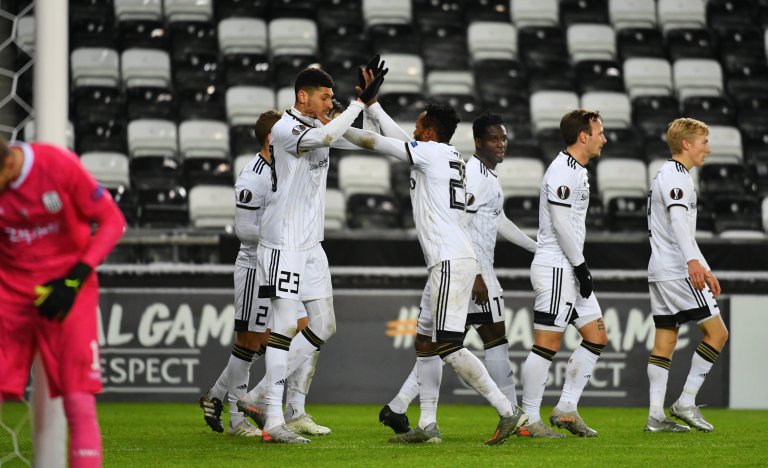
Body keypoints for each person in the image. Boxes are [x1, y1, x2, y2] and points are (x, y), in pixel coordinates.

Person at [343, 102, 525, 446]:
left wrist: (334, 124)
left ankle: (506, 409)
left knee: (448, 345)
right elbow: (396, 138)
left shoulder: (428, 154)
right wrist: (374, 107)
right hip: (449, 259)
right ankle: (427, 424)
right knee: (425, 342)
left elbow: (377, 142)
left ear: (429, 132)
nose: (412, 131)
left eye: (418, 126)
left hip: (450, 259)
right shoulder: (445, 154)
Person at [236, 65, 387, 443]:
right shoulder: (286, 130)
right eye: (324, 97)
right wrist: (353, 105)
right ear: (302, 96)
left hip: (310, 243)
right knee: (286, 325)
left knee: (324, 325)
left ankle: (255, 398)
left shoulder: (322, 125)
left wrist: (368, 106)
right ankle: (273, 420)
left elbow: (366, 138)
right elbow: (330, 133)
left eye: (332, 98)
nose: (329, 104)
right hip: (282, 242)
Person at [0, 137, 126, 468]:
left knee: (78, 399)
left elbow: (113, 221)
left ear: (10, 164)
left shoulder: (57, 165)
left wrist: (74, 278)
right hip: (10, 293)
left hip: (69, 287)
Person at [199, 111, 321, 437]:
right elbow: (243, 229)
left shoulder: (283, 168)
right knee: (250, 342)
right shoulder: (253, 176)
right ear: (272, 139)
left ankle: (218, 396)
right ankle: (239, 420)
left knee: (297, 329)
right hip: (255, 264)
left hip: (279, 261)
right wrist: (283, 234)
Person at [516, 110, 608, 438]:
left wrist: (579, 267)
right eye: (599, 132)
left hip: (570, 267)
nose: (604, 139)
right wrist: (581, 266)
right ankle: (527, 419)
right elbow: (560, 223)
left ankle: (567, 409)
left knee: (597, 336)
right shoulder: (561, 171)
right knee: (546, 344)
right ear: (583, 136)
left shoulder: (577, 171)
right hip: (558, 267)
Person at [644, 118, 728, 433]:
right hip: (677, 269)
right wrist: (693, 264)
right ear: (687, 144)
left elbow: (682, 231)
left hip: (660, 269)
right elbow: (679, 222)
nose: (708, 148)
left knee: (665, 339)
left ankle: (655, 416)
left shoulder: (665, 175)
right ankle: (686, 402)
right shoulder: (678, 178)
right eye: (704, 142)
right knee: (718, 334)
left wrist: (703, 266)